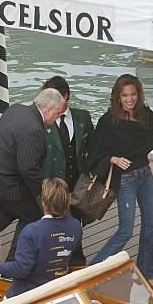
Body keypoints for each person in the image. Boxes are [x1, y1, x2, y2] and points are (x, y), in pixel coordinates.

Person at [87, 74, 153, 290]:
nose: (130, 99)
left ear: (138, 95)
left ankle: (147, 273)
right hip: (125, 179)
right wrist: (113, 159)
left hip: (145, 175)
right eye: (125, 95)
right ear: (118, 97)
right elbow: (92, 151)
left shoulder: (144, 114)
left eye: (133, 95)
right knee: (125, 230)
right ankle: (91, 272)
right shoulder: (109, 121)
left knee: (150, 226)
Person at [0, 88, 66, 263]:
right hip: (6, 183)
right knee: (32, 216)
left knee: (7, 210)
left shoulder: (16, 109)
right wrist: (44, 194)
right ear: (48, 109)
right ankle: (12, 265)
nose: (57, 118)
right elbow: (28, 169)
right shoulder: (34, 129)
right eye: (57, 113)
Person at [0, 178, 82, 298]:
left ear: (43, 203)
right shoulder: (76, 226)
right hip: (54, 294)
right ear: (67, 199)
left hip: (25, 298)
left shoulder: (31, 232)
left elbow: (21, 269)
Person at [40, 76, 94, 266]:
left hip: (76, 188)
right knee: (54, 232)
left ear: (65, 96)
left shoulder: (83, 118)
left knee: (75, 230)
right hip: (53, 190)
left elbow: (92, 149)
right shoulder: (43, 120)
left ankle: (77, 267)